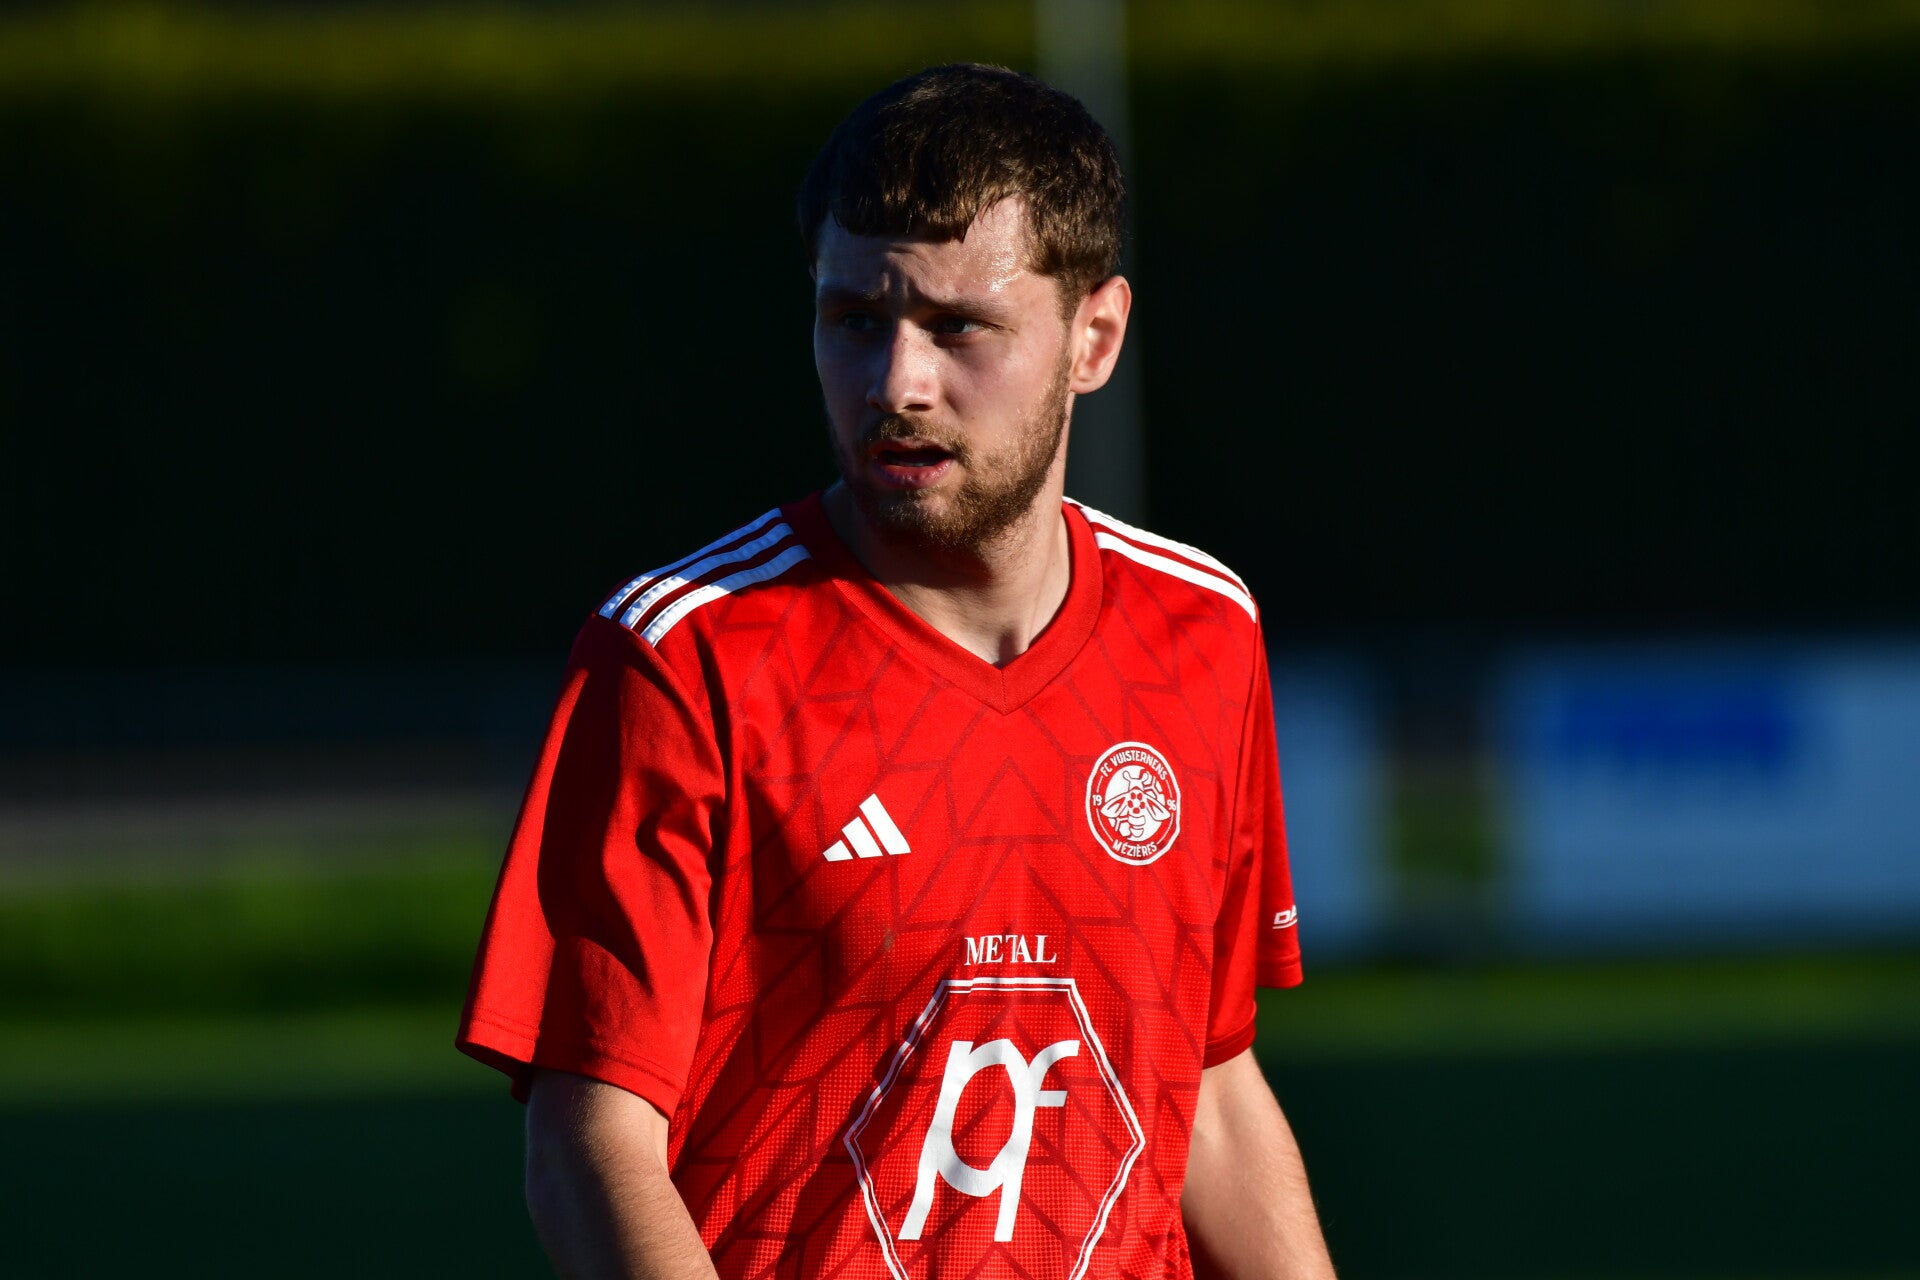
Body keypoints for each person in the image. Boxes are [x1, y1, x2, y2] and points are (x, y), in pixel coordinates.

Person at [457, 63, 1337, 1280]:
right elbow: (589, 1139)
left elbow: (1210, 1084)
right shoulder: (682, 655)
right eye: (855, 320)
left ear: (1094, 337)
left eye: (957, 327)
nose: (896, 384)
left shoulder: (1203, 629)